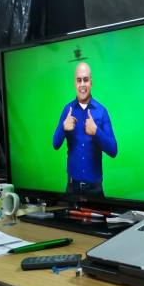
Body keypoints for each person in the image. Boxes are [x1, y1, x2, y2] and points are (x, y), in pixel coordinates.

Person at [53, 62, 117, 197]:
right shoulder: (67, 110)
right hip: (72, 189)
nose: (82, 84)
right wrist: (64, 128)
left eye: (86, 80)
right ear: (75, 84)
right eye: (79, 80)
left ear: (91, 83)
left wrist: (97, 132)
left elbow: (113, 150)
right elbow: (55, 144)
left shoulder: (102, 111)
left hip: (95, 190)